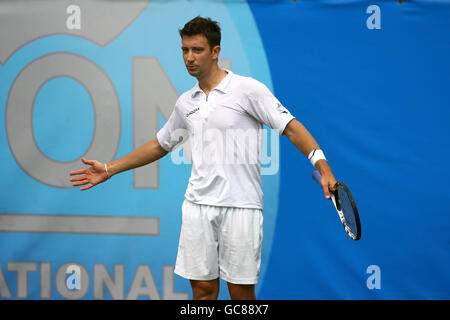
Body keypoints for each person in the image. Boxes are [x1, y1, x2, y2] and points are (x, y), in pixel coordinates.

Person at [69, 16, 337, 300]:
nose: (189, 58)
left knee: (241, 296)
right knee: (203, 292)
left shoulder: (247, 89)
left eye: (197, 50)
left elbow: (292, 128)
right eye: (184, 50)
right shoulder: (186, 102)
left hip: (241, 207)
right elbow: (160, 144)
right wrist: (109, 169)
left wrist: (324, 167)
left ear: (216, 51)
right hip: (197, 207)